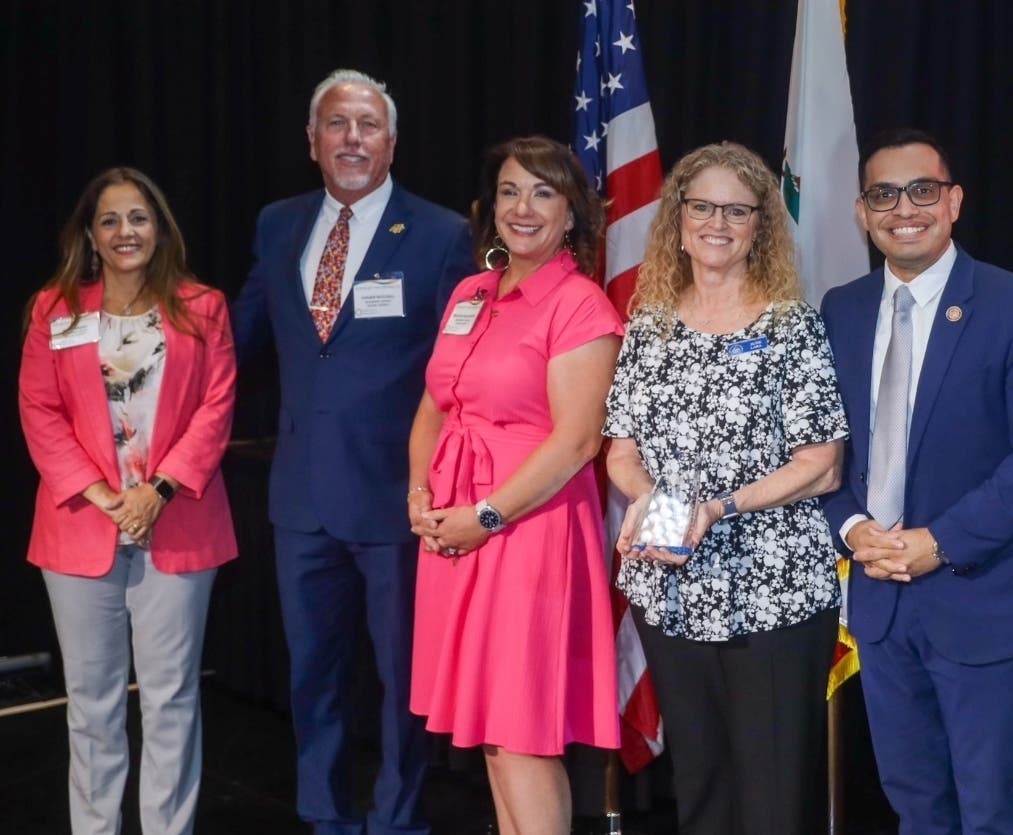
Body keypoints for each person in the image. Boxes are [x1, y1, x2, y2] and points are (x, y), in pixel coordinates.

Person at [231, 69, 473, 835]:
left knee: (403, 680)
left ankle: (397, 819)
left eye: (368, 125)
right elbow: (234, 337)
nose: (353, 139)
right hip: (299, 499)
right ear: (312, 141)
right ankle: (324, 817)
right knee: (313, 679)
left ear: (392, 141)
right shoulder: (278, 224)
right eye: (337, 125)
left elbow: (462, 366)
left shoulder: (438, 234)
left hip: (397, 497)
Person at [820, 128, 1013, 834]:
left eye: (921, 189)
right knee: (915, 806)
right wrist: (850, 528)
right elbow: (818, 450)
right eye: (883, 194)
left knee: (991, 812)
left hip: (980, 600)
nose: (903, 207)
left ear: (953, 200)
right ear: (861, 212)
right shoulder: (837, 311)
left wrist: (939, 540)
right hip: (877, 603)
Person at [603, 141, 848, 835]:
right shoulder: (647, 324)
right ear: (677, 218)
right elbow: (620, 451)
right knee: (702, 785)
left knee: (771, 796)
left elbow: (821, 464)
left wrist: (718, 506)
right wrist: (647, 497)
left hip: (772, 592)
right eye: (702, 205)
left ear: (759, 225)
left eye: (736, 209)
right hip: (670, 591)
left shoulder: (789, 326)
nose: (717, 221)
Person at [407, 135, 622, 835]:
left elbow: (576, 441)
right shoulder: (471, 292)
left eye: (542, 192)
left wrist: (487, 515)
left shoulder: (580, 304)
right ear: (487, 207)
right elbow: (435, 403)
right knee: (494, 739)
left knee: (522, 732)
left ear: (571, 213)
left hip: (525, 529)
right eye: (508, 191)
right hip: (454, 530)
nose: (522, 207)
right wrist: (419, 493)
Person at [18, 166, 237, 834]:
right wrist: (103, 494)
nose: (125, 231)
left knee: (171, 699)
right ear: (89, 233)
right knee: (91, 704)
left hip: (179, 523)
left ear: (159, 227)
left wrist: (158, 489)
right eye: (110, 219)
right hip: (80, 525)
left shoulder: (202, 307)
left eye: (138, 217)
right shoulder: (54, 309)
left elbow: (216, 406)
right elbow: (39, 410)